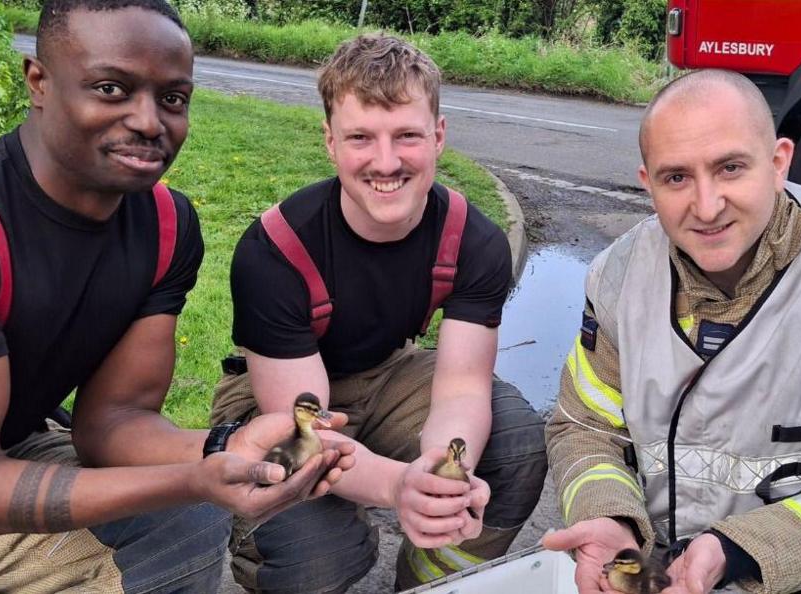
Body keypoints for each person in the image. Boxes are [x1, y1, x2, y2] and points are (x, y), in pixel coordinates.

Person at [0, 1, 353, 591]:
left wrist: (224, 446)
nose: (147, 121)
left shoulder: (165, 229)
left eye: (172, 98)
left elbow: (114, 421)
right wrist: (193, 479)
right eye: (111, 88)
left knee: (184, 526)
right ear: (39, 81)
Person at [544, 69, 801, 594]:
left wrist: (740, 550)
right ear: (648, 184)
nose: (707, 206)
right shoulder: (617, 276)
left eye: (730, 168)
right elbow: (586, 427)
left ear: (779, 162)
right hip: (661, 564)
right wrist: (613, 521)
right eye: (676, 178)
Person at [210, 33, 549, 593]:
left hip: (389, 375)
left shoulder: (475, 242)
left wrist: (445, 474)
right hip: (279, 404)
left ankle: (428, 585)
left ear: (439, 136)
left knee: (512, 443)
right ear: (329, 141)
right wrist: (400, 486)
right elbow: (306, 431)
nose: (386, 162)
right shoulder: (273, 251)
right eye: (361, 138)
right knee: (317, 556)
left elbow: (463, 388)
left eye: (407, 136)